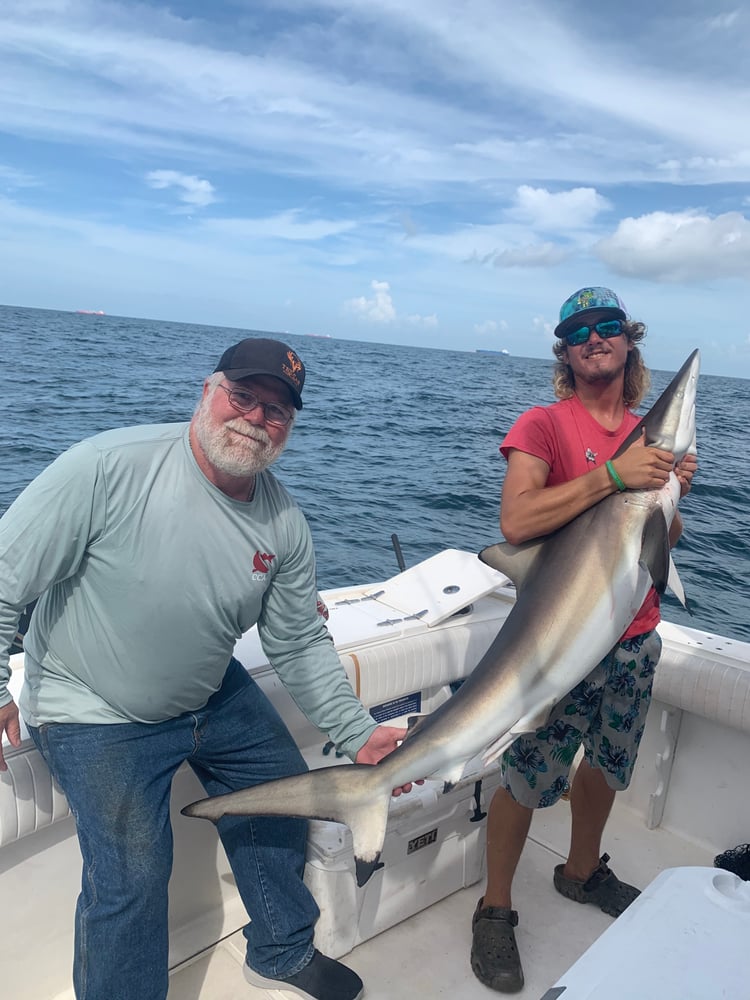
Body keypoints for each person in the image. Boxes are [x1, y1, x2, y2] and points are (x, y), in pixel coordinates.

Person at [0, 337, 409, 1000]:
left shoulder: (284, 524)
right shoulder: (109, 466)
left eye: (276, 411)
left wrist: (358, 732)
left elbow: (298, 641)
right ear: (206, 392)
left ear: (291, 428)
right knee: (133, 872)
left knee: (284, 789)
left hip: (206, 691)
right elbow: (5, 572)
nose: (255, 417)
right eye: (243, 396)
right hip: (91, 706)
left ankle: (279, 950)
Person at [470, 287, 698, 993]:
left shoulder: (645, 433)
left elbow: (661, 545)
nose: (594, 337)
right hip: (558, 648)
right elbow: (515, 523)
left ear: (629, 342)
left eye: (608, 327)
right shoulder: (543, 425)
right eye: (578, 331)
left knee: (604, 766)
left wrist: (670, 497)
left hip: (633, 639)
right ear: (565, 353)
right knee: (527, 778)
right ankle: (495, 908)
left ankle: (578, 872)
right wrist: (614, 475)